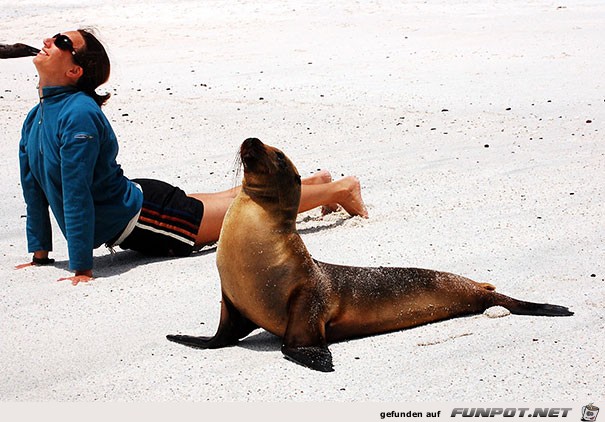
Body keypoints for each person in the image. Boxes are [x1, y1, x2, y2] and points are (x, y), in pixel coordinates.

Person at [17, 29, 368, 285]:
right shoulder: (37, 117)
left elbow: (75, 191)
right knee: (237, 200)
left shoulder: (77, 114)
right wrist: (40, 253)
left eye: (61, 42)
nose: (48, 41)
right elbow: (33, 189)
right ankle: (313, 183)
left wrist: (82, 266)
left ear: (75, 71)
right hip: (140, 201)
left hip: (148, 218)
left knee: (247, 210)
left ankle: (339, 190)